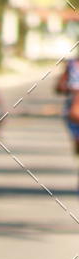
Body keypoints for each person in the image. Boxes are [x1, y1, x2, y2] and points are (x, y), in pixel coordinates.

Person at [55, 53, 79, 188]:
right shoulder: (71, 65)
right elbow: (59, 87)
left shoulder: (72, 65)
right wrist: (72, 89)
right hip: (73, 113)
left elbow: (59, 87)